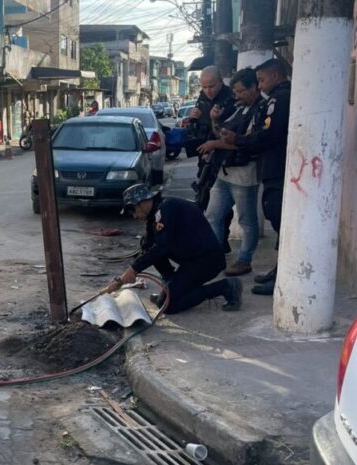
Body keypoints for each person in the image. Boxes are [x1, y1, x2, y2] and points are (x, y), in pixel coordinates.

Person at [105, 184, 243, 314]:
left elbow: (162, 248)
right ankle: (171, 286)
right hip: (192, 260)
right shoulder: (156, 214)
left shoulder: (167, 209)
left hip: (207, 262)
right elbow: (149, 247)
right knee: (147, 246)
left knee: (169, 306)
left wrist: (133, 269)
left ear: (141, 203)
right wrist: (122, 278)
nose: (134, 216)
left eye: (132, 211)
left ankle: (226, 287)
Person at [220, 59, 291, 295]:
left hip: (276, 168)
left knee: (279, 220)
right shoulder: (272, 100)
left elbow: (267, 136)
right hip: (272, 168)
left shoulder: (279, 99)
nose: (260, 86)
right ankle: (280, 269)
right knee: (276, 217)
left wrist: (238, 140)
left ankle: (285, 276)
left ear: (276, 76)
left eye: (262, 80)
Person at [198, 68, 265, 277]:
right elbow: (225, 132)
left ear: (254, 88)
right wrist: (215, 121)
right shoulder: (240, 108)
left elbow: (246, 143)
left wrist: (214, 143)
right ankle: (214, 256)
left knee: (246, 220)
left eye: (241, 91)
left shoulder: (261, 109)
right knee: (212, 215)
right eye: (235, 91)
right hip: (225, 172)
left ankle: (244, 259)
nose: (237, 95)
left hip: (244, 174)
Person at [186, 66, 237, 178]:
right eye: (204, 87)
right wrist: (193, 118)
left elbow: (229, 131)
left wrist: (213, 119)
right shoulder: (202, 97)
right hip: (204, 154)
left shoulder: (231, 98)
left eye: (211, 86)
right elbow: (195, 126)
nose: (208, 91)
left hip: (225, 159)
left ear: (220, 81)